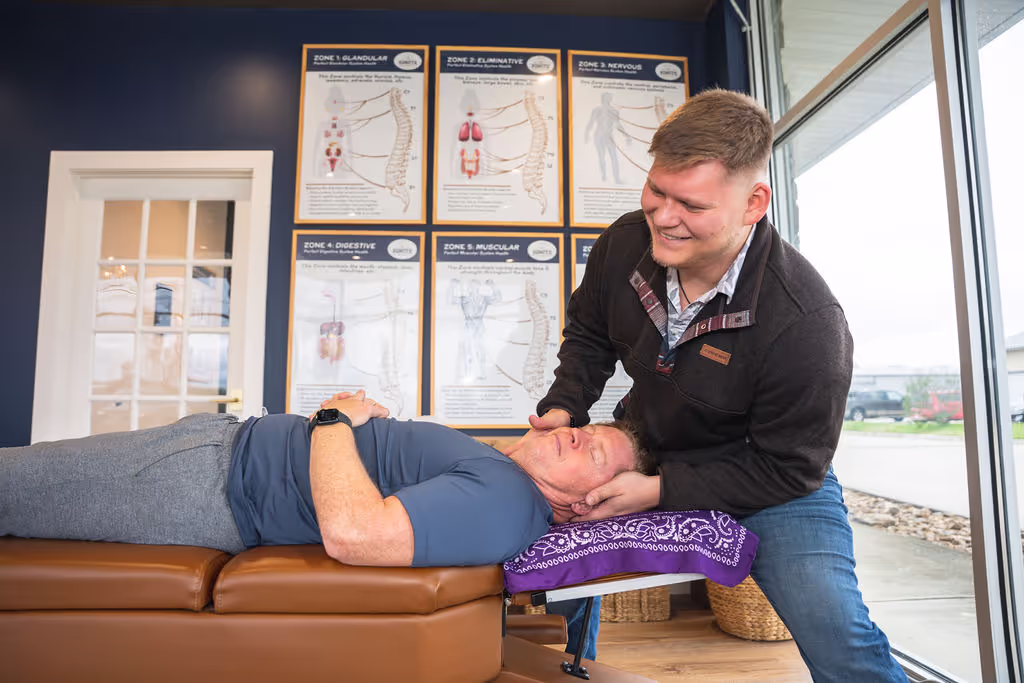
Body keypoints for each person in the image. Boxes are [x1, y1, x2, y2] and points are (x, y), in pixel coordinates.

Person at [526, 89, 908, 680]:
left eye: (691, 204)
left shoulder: (806, 324)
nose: (663, 216)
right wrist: (564, 405)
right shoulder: (625, 242)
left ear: (754, 202)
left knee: (836, 630)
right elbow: (590, 335)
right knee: (560, 561)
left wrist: (656, 493)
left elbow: (790, 469)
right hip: (651, 444)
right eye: (656, 190)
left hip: (768, 478)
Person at [0, 390, 647, 568]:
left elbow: (353, 532)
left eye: (596, 456)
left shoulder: (508, 505)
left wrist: (335, 414)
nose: (581, 434)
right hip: (214, 458)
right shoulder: (504, 477)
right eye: (592, 432)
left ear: (582, 507)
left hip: (208, 482)